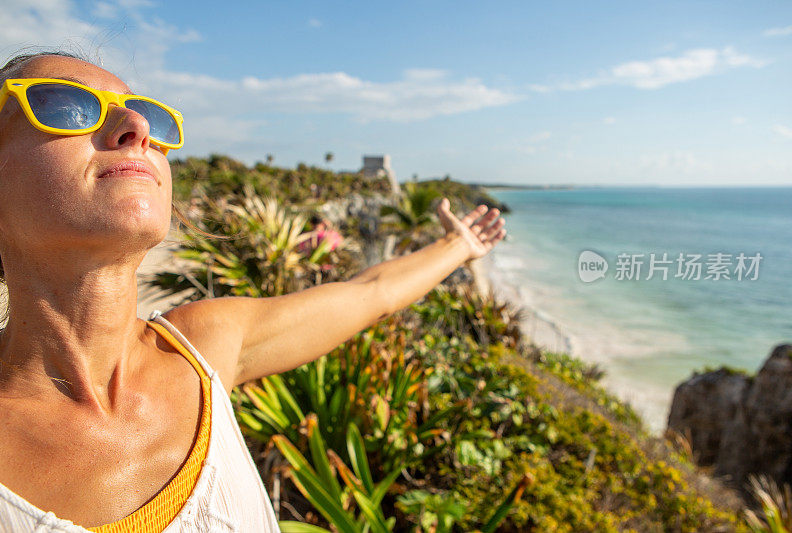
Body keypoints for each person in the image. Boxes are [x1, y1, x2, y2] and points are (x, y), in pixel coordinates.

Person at [0, 51, 506, 532]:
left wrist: (459, 245)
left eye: (143, 111)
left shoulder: (202, 347)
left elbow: (371, 292)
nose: (138, 129)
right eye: (65, 106)